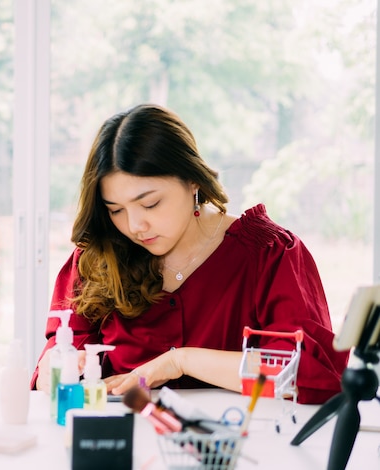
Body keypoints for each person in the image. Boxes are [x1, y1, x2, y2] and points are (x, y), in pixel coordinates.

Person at [31, 103, 349, 404]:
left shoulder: (269, 255)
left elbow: (305, 375)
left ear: (193, 179)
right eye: (116, 210)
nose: (134, 225)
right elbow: (61, 353)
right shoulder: (97, 257)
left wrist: (182, 361)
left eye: (150, 203)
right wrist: (51, 368)